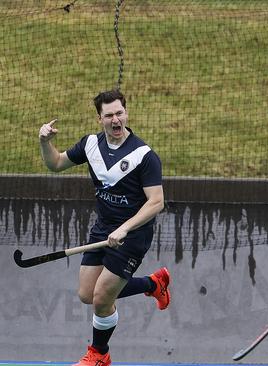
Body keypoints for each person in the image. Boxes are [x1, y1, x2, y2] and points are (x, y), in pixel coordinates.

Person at [38, 89, 170, 366]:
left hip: (133, 234)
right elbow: (56, 163)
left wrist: (125, 229)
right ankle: (153, 283)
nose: (115, 120)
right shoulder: (90, 146)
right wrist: (44, 142)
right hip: (103, 229)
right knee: (87, 294)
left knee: (101, 298)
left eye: (119, 113)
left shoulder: (144, 156)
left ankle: (99, 355)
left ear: (127, 113)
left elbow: (156, 202)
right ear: (100, 119)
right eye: (109, 115)